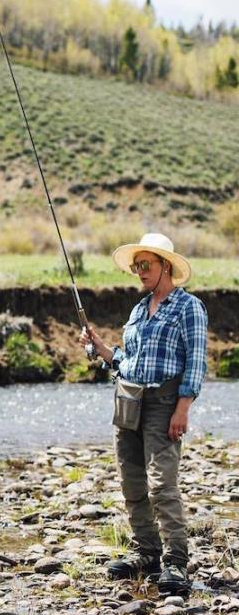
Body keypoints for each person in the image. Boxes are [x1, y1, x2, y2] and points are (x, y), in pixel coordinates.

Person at [81, 233, 207, 595]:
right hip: (128, 400)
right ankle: (147, 552)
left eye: (145, 265)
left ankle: (176, 562)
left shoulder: (189, 307)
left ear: (165, 265)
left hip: (164, 403)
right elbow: (126, 362)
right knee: (131, 482)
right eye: (136, 266)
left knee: (162, 484)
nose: (139, 271)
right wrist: (101, 348)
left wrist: (182, 408)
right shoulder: (138, 309)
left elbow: (196, 363)